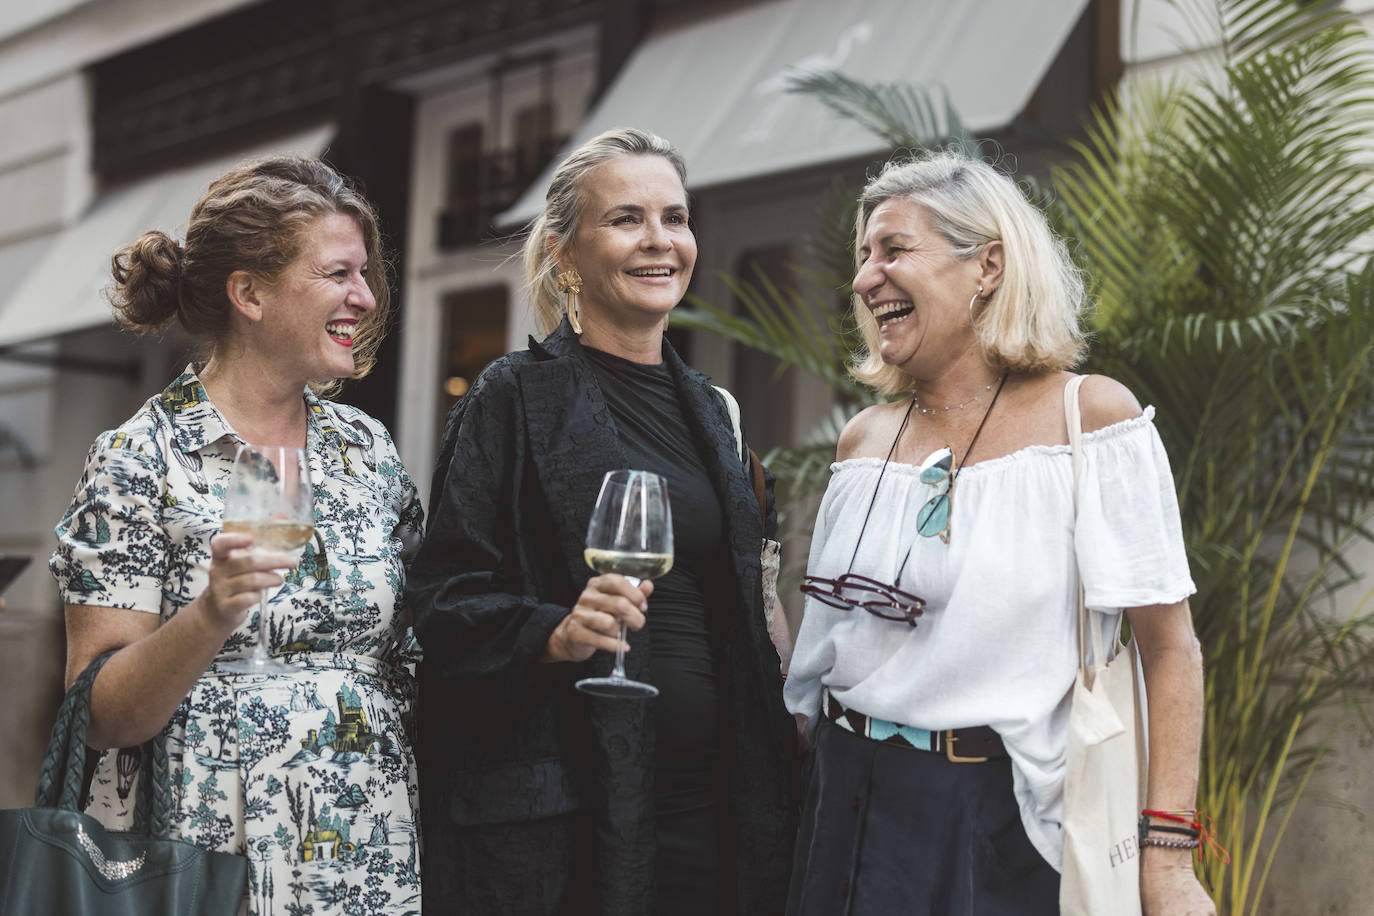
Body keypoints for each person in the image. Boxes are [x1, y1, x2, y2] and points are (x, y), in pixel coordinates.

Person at [783, 151, 1215, 916]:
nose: (863, 279)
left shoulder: (1092, 420)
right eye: (862, 257)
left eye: (892, 250)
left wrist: (1168, 857)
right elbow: (821, 660)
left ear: (986, 266)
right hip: (841, 803)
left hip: (995, 816)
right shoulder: (861, 441)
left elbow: (1170, 648)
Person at [407, 127, 796, 916]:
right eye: (626, 219)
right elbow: (442, 601)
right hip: (565, 808)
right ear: (565, 254)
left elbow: (750, 602)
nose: (660, 241)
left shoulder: (714, 412)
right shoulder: (512, 397)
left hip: (716, 803)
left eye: (675, 218)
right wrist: (554, 631)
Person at [50, 156, 424, 915]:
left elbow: (421, 642)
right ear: (249, 292)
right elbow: (99, 716)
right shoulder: (139, 458)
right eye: (337, 274)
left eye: (364, 274)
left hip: (364, 852)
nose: (364, 296)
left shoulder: (369, 451)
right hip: (200, 858)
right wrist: (213, 612)